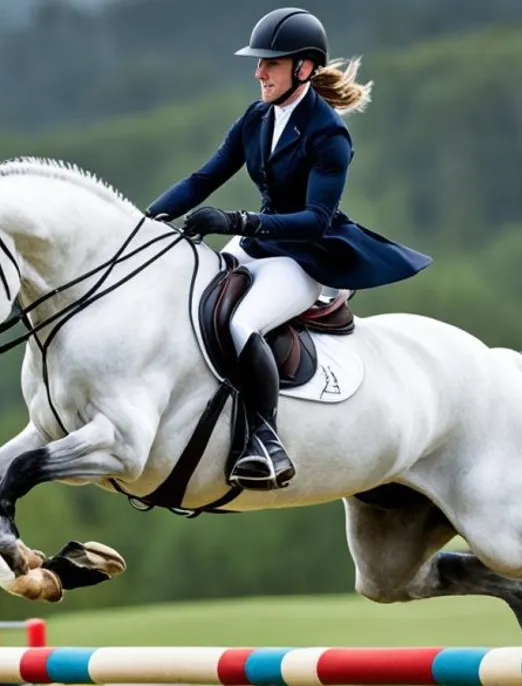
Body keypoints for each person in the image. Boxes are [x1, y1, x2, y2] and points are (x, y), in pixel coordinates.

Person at [145, 7, 432, 492]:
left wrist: (235, 220)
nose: (258, 73)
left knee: (241, 323)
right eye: (259, 64)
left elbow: (315, 220)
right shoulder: (257, 117)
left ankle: (266, 440)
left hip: (303, 255)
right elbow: (203, 178)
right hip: (260, 242)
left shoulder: (328, 134)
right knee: (192, 303)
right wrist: (146, 222)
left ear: (303, 68)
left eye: (270, 64)